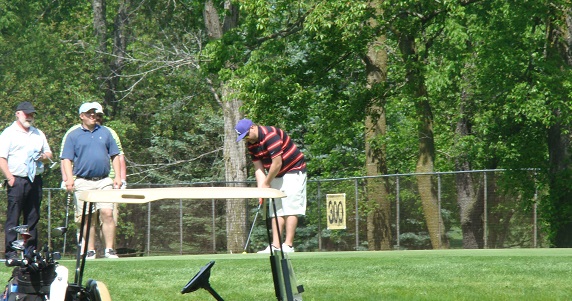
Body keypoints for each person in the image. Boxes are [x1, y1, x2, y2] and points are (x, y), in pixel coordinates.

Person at [235, 118, 307, 253]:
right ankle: (276, 246)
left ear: (253, 127)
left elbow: (277, 163)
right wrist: (261, 189)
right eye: (244, 138)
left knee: (290, 206)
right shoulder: (251, 144)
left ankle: (288, 245)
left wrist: (267, 183)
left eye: (247, 135)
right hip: (275, 173)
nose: (247, 139)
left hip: (294, 169)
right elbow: (258, 168)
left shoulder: (270, 135)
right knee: (276, 208)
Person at [60, 102, 122, 259]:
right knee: (87, 217)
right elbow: (66, 159)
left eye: (94, 113)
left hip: (104, 181)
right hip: (82, 181)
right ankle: (90, 250)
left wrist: (118, 177)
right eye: (89, 114)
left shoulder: (106, 133)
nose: (93, 116)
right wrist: (68, 179)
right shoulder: (73, 135)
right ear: (82, 116)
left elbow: (115, 155)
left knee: (107, 213)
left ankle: (109, 250)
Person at [0, 102, 53, 265]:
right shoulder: (9, 133)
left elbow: (49, 153)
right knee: (13, 217)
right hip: (17, 179)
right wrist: (10, 178)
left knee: (33, 217)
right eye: (26, 114)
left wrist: (43, 156)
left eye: (31, 114)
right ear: (18, 114)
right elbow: (2, 158)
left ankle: (30, 251)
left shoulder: (38, 134)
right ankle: (10, 252)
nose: (29, 117)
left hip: (34, 179)